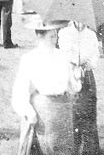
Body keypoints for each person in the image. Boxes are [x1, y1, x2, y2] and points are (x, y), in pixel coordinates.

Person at [12, 17, 82, 155]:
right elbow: (20, 91)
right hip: (44, 111)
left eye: (56, 34)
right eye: (51, 35)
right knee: (46, 147)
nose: (55, 38)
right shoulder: (30, 58)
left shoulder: (62, 55)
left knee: (65, 149)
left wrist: (76, 77)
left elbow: (72, 88)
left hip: (63, 110)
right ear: (39, 35)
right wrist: (29, 112)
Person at [58, 21, 101, 155]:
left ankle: (89, 148)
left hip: (87, 76)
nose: (81, 23)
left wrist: (88, 64)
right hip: (71, 76)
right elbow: (63, 54)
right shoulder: (64, 33)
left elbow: (95, 56)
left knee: (88, 111)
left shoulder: (91, 35)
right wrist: (74, 61)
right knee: (72, 112)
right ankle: (73, 147)